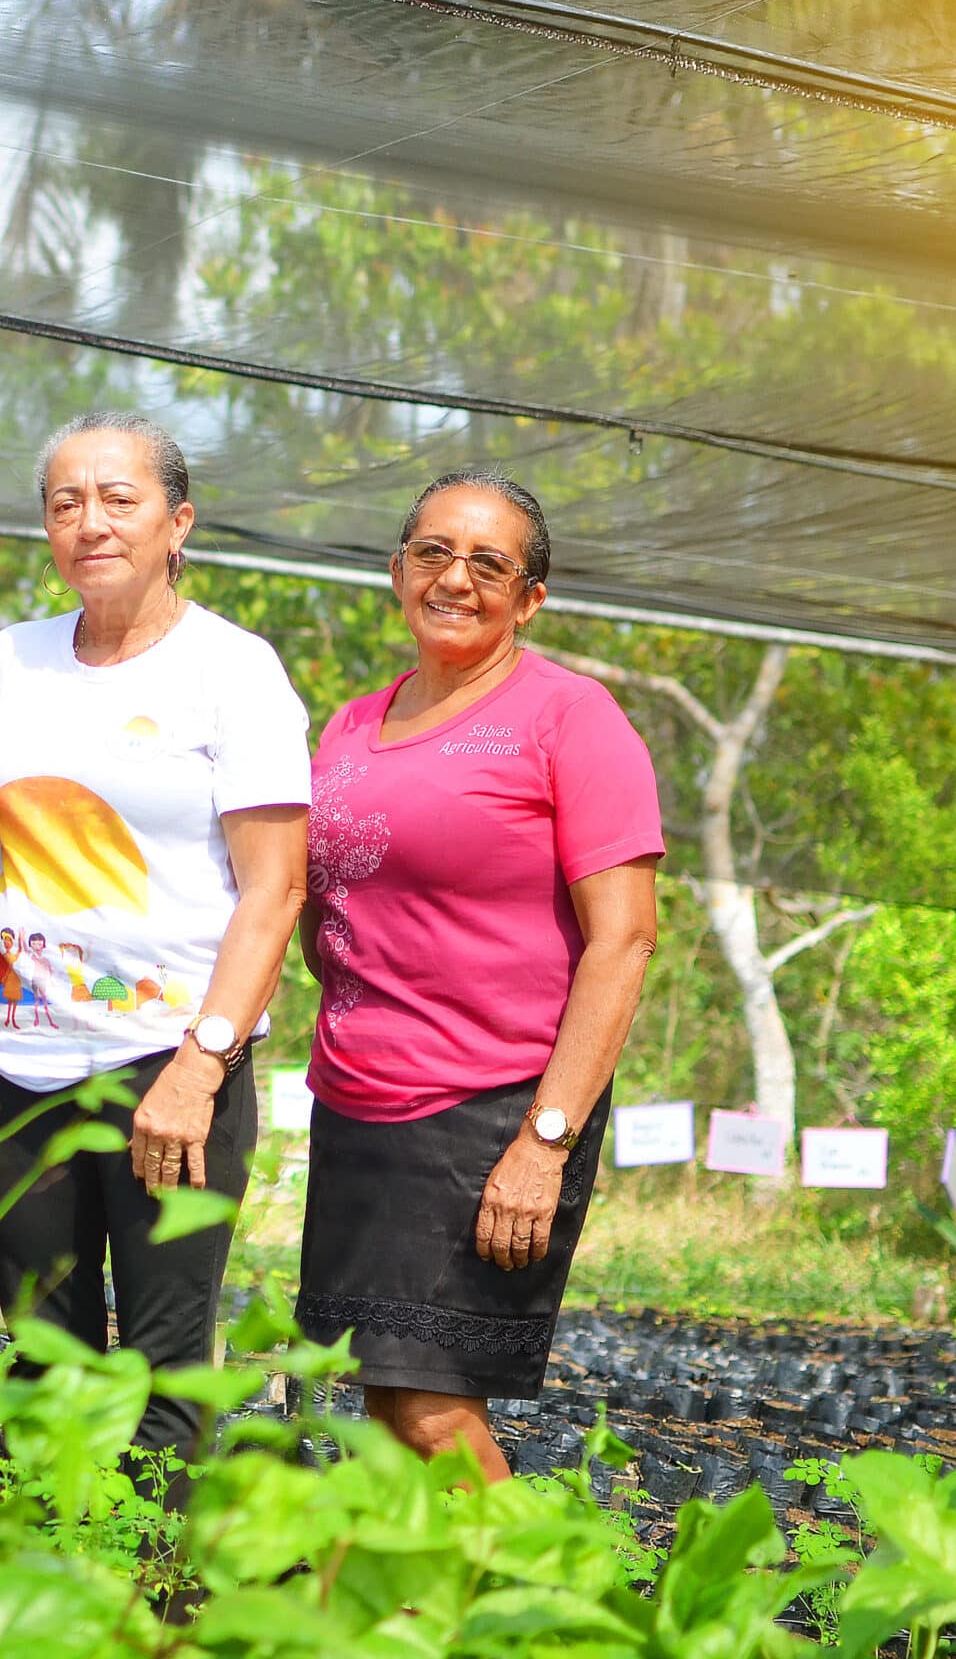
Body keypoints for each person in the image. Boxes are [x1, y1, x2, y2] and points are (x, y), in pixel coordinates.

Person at [0, 411, 310, 1493]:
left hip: (167, 1066)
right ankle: (35, 1590)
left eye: (119, 498)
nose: (89, 522)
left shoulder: (233, 672)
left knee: (167, 1366)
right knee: (41, 1355)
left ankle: (154, 1598)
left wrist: (200, 1064)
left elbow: (275, 885)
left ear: (178, 522)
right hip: (16, 1066)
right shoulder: (9, 661)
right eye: (65, 502)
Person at [296, 469, 662, 1482]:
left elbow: (624, 937)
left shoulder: (567, 719)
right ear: (396, 568)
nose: (454, 578)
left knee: (428, 1410)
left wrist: (544, 1141)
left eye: (488, 562)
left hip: (488, 1110)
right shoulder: (348, 726)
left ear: (529, 597)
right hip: (359, 1107)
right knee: (377, 1402)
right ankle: (397, 1627)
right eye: (432, 552)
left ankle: (546, 1622)